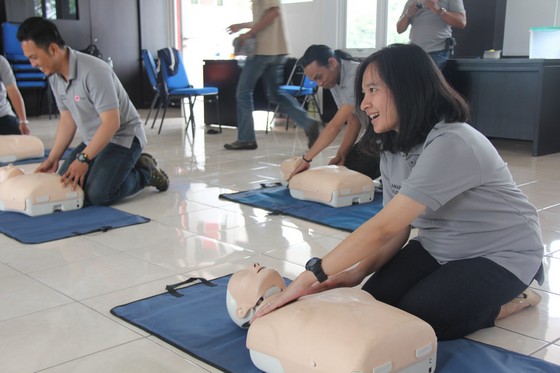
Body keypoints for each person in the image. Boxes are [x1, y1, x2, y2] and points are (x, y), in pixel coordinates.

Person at [255, 44, 544, 341]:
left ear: (408, 86)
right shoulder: (392, 146)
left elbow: (383, 228)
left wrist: (312, 275)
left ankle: (511, 301)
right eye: (363, 93)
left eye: (372, 90)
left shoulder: (452, 141)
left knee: (419, 318)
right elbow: (397, 228)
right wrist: (356, 273)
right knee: (375, 301)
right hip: (440, 246)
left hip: (502, 253)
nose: (364, 104)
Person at [17, 17, 169, 206]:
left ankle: (145, 172)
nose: (33, 64)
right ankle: (113, 167)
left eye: (34, 57)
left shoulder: (94, 71)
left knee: (98, 194)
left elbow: (112, 123)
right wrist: (53, 158)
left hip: (124, 138)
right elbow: (67, 120)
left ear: (53, 49)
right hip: (95, 140)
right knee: (68, 186)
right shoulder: (55, 77)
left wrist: (83, 158)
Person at [224, 0, 320, 150]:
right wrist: (242, 26)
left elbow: (273, 13)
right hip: (278, 50)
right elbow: (263, 19)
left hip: (262, 50)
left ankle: (246, 138)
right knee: (276, 94)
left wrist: (249, 34)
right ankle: (308, 123)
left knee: (243, 92)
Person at [288, 44, 380, 181]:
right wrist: (341, 154)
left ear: (332, 62)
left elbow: (335, 126)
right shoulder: (332, 80)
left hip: (389, 131)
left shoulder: (354, 74)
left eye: (319, 77)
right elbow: (353, 121)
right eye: (314, 80)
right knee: (346, 167)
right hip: (373, 132)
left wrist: (307, 159)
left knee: (353, 174)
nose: (319, 84)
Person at [397, 0, 466, 69]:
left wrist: (438, 10)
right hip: (415, 52)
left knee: (427, 79)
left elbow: (461, 22)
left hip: (438, 51)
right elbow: (399, 29)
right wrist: (407, 14)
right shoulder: (412, 1)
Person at [0, 55, 30, 135]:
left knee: (18, 136)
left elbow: (13, 91)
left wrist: (23, 121)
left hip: (3, 115)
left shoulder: (1, 62)